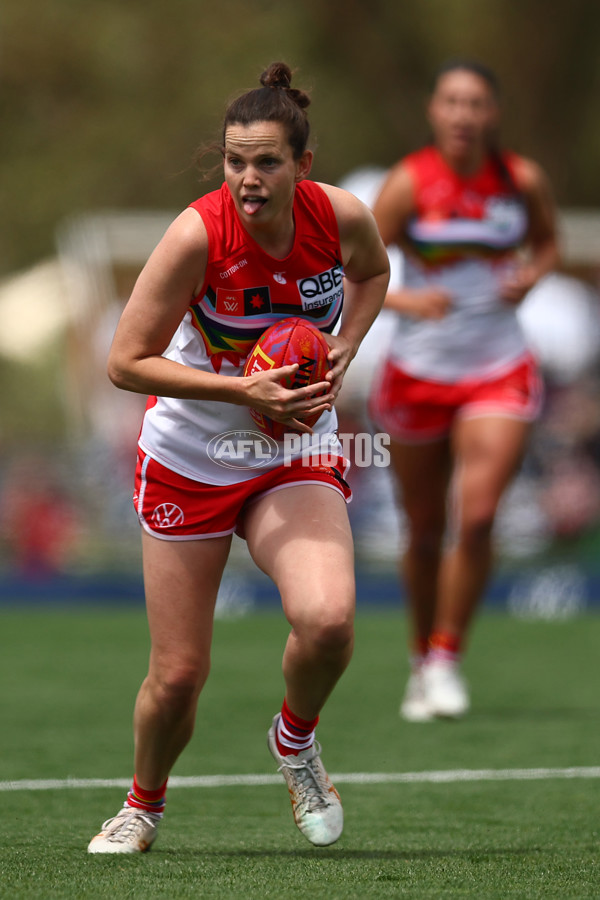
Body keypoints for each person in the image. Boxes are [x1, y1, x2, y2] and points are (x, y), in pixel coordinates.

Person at [87, 61, 389, 853]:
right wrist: (244, 394)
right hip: (194, 450)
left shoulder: (343, 217)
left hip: (292, 449)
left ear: (303, 166)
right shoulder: (198, 234)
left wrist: (346, 347)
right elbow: (125, 363)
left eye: (266, 162)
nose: (248, 178)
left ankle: (295, 742)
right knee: (179, 675)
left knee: (328, 622)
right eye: (235, 161)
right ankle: (141, 805)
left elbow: (374, 273)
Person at [368, 59, 558, 722]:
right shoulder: (408, 182)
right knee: (424, 532)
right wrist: (406, 299)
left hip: (498, 366)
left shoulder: (519, 180)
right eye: (451, 101)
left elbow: (549, 244)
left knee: (477, 517)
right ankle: (421, 659)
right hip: (418, 374)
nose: (463, 114)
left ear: (492, 113)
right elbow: (349, 269)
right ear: (434, 110)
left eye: (475, 102)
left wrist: (532, 276)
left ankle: (447, 655)